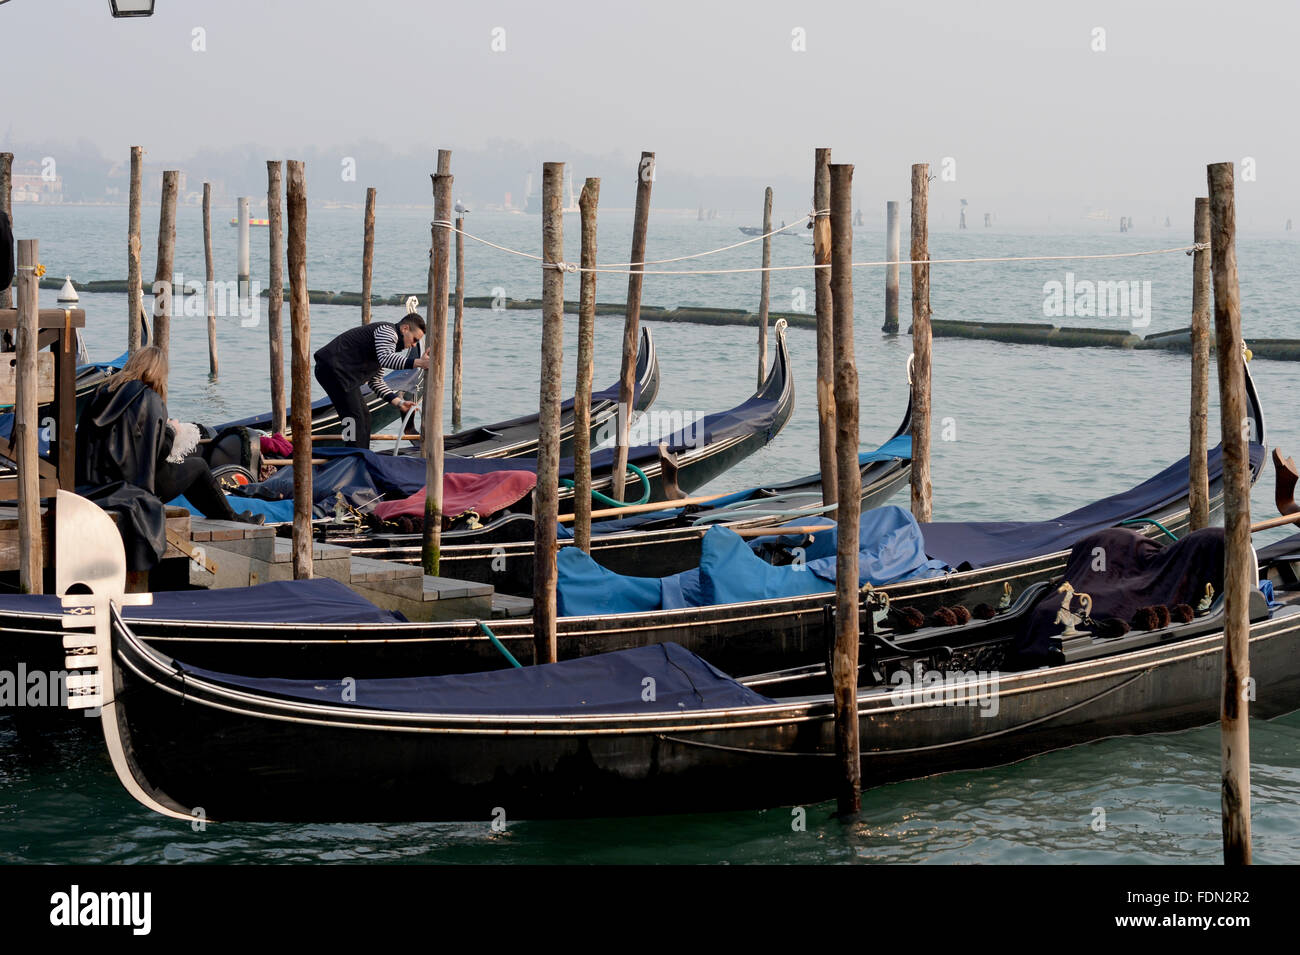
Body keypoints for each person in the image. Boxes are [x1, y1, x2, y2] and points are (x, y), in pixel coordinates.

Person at [76, 346, 263, 526]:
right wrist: (172, 430)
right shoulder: (150, 399)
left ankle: (229, 516)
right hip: (130, 490)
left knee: (188, 469)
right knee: (198, 466)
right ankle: (232, 518)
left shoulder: (102, 392)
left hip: (90, 488)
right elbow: (159, 453)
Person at [314, 314, 431, 448]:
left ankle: (361, 453)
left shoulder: (384, 348)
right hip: (332, 369)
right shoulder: (387, 331)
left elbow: (376, 382)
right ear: (405, 329)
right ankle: (353, 455)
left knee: (365, 417)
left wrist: (400, 403)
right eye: (414, 339)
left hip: (343, 375)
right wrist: (419, 363)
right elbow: (386, 359)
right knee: (354, 417)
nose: (413, 345)